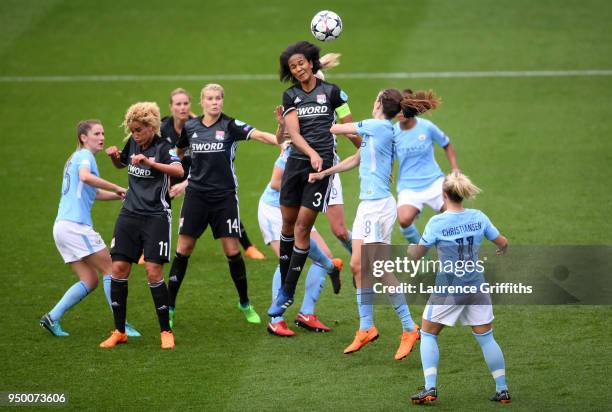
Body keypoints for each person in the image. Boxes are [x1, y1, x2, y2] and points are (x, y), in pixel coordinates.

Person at [309, 89, 419, 359]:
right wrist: (325, 173)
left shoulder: (377, 126)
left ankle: (409, 327)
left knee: (379, 269)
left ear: (380, 104)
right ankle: (366, 328)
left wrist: (315, 109)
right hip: (366, 206)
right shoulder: (375, 131)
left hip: (379, 208)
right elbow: (355, 159)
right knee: (358, 266)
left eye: (375, 98)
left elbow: (336, 127)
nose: (372, 101)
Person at [167, 83, 280, 327]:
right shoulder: (191, 127)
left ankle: (245, 303)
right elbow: (177, 151)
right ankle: (170, 307)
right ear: (202, 102)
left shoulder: (230, 125)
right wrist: (180, 174)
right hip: (196, 197)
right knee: (183, 249)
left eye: (218, 98)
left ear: (222, 101)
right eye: (210, 98)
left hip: (224, 198)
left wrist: (281, 141)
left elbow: (259, 134)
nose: (214, 102)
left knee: (232, 251)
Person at [408, 171, 511, 404]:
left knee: (427, 333)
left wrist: (411, 250)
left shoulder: (437, 222)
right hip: (476, 287)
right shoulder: (478, 217)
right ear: (461, 194)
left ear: (444, 195)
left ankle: (430, 388)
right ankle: (502, 389)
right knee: (486, 338)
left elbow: (417, 254)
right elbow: (502, 242)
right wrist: (502, 249)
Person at [268, 41, 352, 317]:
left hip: (321, 168)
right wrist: (310, 152)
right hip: (297, 164)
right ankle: (285, 291)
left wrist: (366, 148)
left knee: (303, 228)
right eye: (293, 66)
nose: (298, 68)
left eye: (301, 62)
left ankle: (287, 292)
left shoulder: (333, 93)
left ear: (311, 62)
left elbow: (348, 127)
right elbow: (294, 133)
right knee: (288, 226)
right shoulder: (290, 96)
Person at [40, 120, 143, 337]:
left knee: (89, 280)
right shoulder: (85, 156)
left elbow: (92, 193)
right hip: (76, 227)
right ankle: (121, 325)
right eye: (96, 133)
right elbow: (86, 177)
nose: (102, 137)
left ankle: (52, 317)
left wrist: (118, 195)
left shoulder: (74, 159)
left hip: (61, 227)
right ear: (83, 138)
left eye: (103, 133)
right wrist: (116, 186)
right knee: (112, 269)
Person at [100, 102, 184, 349]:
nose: (134, 134)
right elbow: (123, 164)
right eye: (132, 129)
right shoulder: (133, 143)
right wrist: (116, 158)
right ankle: (119, 330)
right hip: (129, 215)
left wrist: (151, 163)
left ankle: (165, 331)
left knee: (153, 272)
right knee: (118, 268)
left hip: (156, 217)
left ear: (151, 127)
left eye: (138, 129)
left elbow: (178, 171)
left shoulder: (164, 147)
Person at [259, 122, 343, 336]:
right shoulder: (292, 151)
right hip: (274, 210)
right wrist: (304, 183)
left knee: (324, 255)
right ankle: (276, 320)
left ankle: (307, 313)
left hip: (298, 209)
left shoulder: (326, 155)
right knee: (285, 261)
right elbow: (276, 182)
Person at [165, 88, 267, 261]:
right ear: (170, 107)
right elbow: (171, 154)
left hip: (199, 171)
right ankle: (148, 248)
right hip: (177, 168)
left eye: (185, 104)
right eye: (178, 104)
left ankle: (248, 246)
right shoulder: (164, 127)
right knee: (159, 199)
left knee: (224, 207)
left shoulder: (200, 124)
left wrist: (185, 183)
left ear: (192, 105)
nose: (182, 108)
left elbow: (208, 165)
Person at [394, 89, 459, 245]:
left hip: (434, 182)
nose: (399, 113)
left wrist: (455, 168)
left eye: (403, 109)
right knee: (404, 220)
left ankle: (457, 255)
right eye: (397, 109)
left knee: (453, 217)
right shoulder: (392, 132)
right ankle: (423, 250)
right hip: (408, 186)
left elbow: (446, 144)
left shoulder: (427, 127)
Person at [315, 53, 360, 255]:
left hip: (328, 167)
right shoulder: (296, 99)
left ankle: (360, 259)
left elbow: (349, 129)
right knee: (298, 227)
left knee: (340, 231)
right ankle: (327, 265)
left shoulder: (335, 98)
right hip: (301, 167)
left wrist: (365, 149)